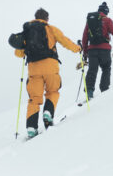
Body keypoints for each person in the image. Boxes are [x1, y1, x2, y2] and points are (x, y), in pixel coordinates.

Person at [15, 8, 81, 138]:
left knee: (34, 99)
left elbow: (18, 53)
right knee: (53, 91)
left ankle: (31, 128)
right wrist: (78, 48)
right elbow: (65, 42)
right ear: (47, 18)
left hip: (34, 69)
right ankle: (48, 113)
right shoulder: (51, 29)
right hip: (50, 67)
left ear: (35, 17)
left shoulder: (27, 31)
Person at [81, 2, 113, 99]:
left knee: (92, 70)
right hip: (104, 49)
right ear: (106, 12)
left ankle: (89, 91)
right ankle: (104, 89)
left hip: (92, 50)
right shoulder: (107, 20)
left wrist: (85, 52)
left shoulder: (90, 21)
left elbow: (85, 37)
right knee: (106, 68)